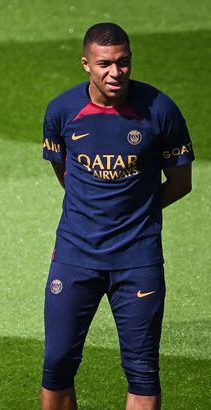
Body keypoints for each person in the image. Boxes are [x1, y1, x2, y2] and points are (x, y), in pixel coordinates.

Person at [41, 22, 193, 409]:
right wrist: (99, 213)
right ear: (86, 64)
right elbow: (68, 176)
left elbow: (180, 182)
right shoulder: (61, 112)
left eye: (123, 62)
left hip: (137, 259)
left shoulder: (160, 110)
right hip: (75, 256)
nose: (115, 72)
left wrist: (133, 214)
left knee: (142, 370)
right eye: (105, 64)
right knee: (57, 363)